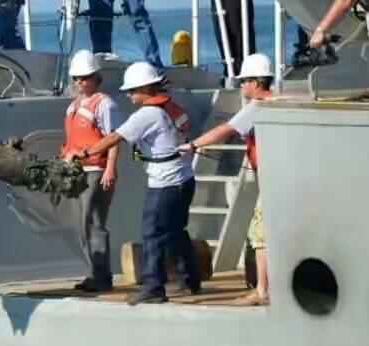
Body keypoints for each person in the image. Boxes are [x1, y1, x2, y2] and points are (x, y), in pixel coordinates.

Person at [72, 62, 201, 304]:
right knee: (174, 231)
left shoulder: (147, 114)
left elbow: (115, 137)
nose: (129, 95)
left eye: (132, 91)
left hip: (165, 183)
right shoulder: (170, 107)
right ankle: (190, 278)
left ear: (145, 88)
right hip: (184, 179)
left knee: (152, 232)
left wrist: (85, 153)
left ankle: (154, 286)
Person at [177, 53, 274, 306]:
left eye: (244, 81)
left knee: (259, 234)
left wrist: (193, 144)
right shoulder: (276, 101)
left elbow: (226, 130)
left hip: (271, 180)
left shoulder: (257, 107)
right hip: (279, 176)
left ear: (256, 82)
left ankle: (263, 290)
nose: (242, 86)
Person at [60, 50, 122, 292]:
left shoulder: (105, 104)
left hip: (96, 168)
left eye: (84, 78)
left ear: (96, 77)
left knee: (94, 222)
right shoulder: (73, 106)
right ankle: (93, 271)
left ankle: (102, 276)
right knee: (82, 224)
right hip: (77, 171)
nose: (79, 83)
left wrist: (110, 170)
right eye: (76, 78)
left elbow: (114, 139)